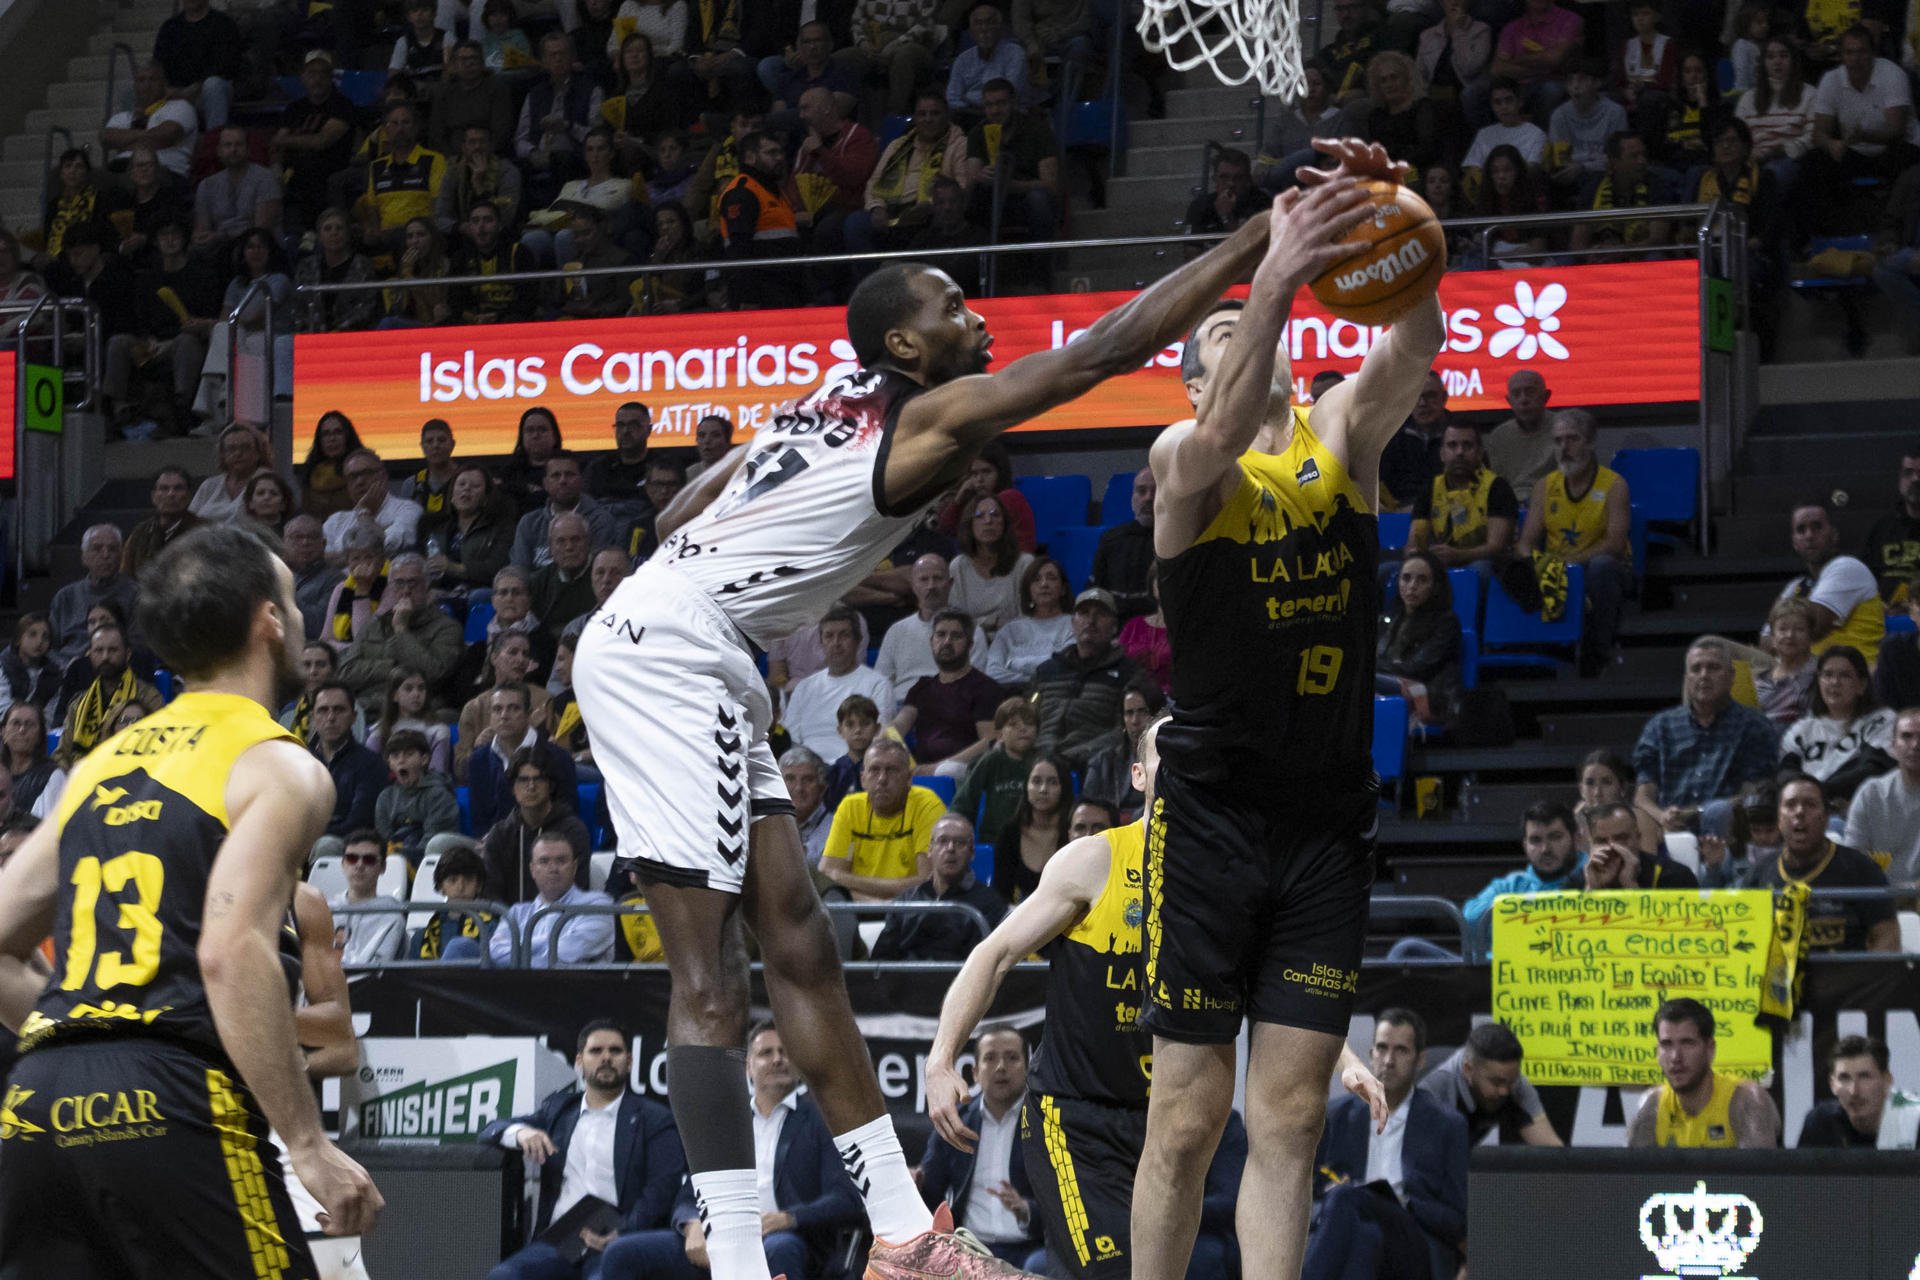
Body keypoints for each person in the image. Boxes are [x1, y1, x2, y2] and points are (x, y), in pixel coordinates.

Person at [572, 182, 1287, 1280]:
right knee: (709, 978)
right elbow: (1101, 351)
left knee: (803, 942)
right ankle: (738, 1263)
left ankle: (906, 1236)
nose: (977, 315)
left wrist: (765, 492)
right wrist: (1252, 243)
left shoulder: (832, 395)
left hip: (700, 647)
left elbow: (674, 518)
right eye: (955, 304)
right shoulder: (925, 413)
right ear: (906, 341)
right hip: (670, 651)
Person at [1135, 139, 1443, 1280]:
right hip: (1212, 819)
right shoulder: (1185, 458)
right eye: (1222, 339)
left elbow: (1414, 345)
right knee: (1185, 1117)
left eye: (1257, 329)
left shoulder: (1341, 437)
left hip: (1324, 824)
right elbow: (1215, 432)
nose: (1247, 344)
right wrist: (1271, 267)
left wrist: (1400, 231)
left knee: (1295, 1117)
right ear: (1194, 375)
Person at [0, 525, 383, 1273]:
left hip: (37, 1098)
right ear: (270, 621)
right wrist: (307, 1145)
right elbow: (229, 948)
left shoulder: (95, 767)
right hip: (170, 1089)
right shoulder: (277, 765)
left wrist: (87, 1035)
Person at [926, 715, 1389, 1280]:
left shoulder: (1232, 882)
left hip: (1172, 1124)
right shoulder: (1096, 859)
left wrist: (1343, 1059)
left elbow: (1274, 993)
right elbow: (992, 954)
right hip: (1076, 1120)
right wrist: (941, 1057)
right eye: (1171, 754)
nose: (1189, 766)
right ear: (1140, 776)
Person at [601, 1019, 863, 1280]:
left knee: (781, 1249)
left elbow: (845, 1199)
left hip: (783, 1239)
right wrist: (692, 1225)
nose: (777, 1059)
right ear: (748, 1066)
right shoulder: (724, 1122)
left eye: (785, 1052)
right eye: (765, 1053)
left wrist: (787, 1218)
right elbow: (687, 1196)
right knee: (620, 1253)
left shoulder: (821, 1120)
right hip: (718, 1237)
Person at [481, 1020, 684, 1277]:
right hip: (559, 1241)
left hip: (616, 1240)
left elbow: (662, 1189)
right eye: (596, 1051)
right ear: (579, 1061)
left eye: (615, 1051)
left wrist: (622, 1233)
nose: (606, 1058)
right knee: (503, 1276)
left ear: (629, 1061)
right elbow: (491, 1129)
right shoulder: (559, 1110)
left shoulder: (654, 1118)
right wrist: (521, 1132)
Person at [1303, 1009, 1469, 1280]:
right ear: (1370, 1055)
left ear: (1420, 1060)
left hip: (1412, 1237)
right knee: (1364, 1236)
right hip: (1354, 1228)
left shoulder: (1447, 1124)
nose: (1389, 1060)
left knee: (1346, 1197)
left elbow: (1456, 1220)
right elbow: (1307, 1194)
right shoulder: (1337, 1116)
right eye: (1382, 1048)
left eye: (1401, 1050)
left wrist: (1405, 1201)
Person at [1632, 638, 1780, 845]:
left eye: (1713, 668)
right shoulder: (1660, 726)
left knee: (1717, 812)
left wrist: (1696, 813)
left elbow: (1754, 793)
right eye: (1696, 669)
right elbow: (1643, 796)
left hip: (1729, 833)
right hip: (1667, 830)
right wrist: (1661, 815)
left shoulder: (1754, 726)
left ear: (1731, 677)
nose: (1704, 675)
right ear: (1687, 678)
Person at [915, 1025, 1040, 1266]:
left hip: (1031, 1249)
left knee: (1040, 1266)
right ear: (975, 1072)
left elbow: (1063, 1201)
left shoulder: (1044, 1123)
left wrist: (1027, 1209)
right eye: (990, 1058)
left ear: (1027, 1067)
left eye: (1012, 1058)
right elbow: (931, 1192)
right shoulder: (955, 1122)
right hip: (970, 1248)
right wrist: (916, 1184)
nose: (1001, 1067)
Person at [1739, 774, 1900, 952]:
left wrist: (1865, 978)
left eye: (1810, 804)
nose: (1799, 812)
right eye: (1790, 805)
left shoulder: (1863, 870)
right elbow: (1744, 940)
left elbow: (1887, 937)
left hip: (1848, 977)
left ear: (1825, 817)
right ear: (1779, 818)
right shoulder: (1758, 875)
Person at [1803, 26, 1918, 237]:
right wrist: (1830, 143)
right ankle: (1827, 233)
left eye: (1862, 51)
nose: (1856, 58)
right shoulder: (1831, 80)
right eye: (1850, 52)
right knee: (1814, 161)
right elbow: (1818, 132)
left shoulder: (1892, 75)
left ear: (1873, 54)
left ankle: (1895, 231)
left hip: (1893, 148)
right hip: (1856, 149)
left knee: (1904, 156)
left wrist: (1865, 135)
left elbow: (1896, 130)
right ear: (1842, 56)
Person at [1627, 998, 1781, 1148]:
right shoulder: (1651, 1105)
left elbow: (1757, 1173)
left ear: (1710, 1048)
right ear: (1657, 1052)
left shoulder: (1746, 1101)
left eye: (1687, 1043)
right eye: (1667, 1045)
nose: (1676, 1057)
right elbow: (1636, 1173)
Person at [818, 738, 946, 902]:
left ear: (909, 779)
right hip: (862, 911)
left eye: (892, 770)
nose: (882, 779)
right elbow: (828, 879)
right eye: (874, 770)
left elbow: (927, 883)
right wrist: (882, 904)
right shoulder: (850, 807)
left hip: (912, 911)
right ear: (863, 779)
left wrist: (848, 880)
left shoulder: (927, 804)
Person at [1031, 588, 1143, 770]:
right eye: (1084, 613)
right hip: (1038, 760)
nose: (1091, 621)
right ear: (1073, 622)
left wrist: (1083, 754)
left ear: (1114, 626)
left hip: (1092, 765)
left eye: (1100, 614)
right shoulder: (1046, 671)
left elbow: (1124, 731)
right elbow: (1026, 717)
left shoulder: (1128, 673)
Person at [338, 552, 465, 710]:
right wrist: (393, 666)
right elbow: (345, 672)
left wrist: (401, 630)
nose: (405, 590)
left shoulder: (447, 627)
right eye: (399, 583)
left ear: (426, 586)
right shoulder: (374, 626)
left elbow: (434, 674)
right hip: (367, 707)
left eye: (413, 583)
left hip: (418, 712)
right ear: (391, 587)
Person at [872, 813, 1006, 961]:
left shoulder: (989, 904)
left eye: (960, 842)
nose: (950, 848)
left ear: (972, 852)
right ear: (930, 849)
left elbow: (984, 966)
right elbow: (880, 962)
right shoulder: (906, 900)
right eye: (942, 841)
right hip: (906, 981)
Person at [1458, 801, 1583, 955]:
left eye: (1555, 837)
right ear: (1525, 845)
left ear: (1576, 839)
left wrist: (1516, 919)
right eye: (1535, 840)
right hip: (1508, 975)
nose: (1545, 849)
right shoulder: (1510, 885)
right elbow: (1470, 919)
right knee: (1418, 947)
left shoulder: (1596, 878)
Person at [1779, 646, 1895, 808]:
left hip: (1856, 804)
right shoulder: (1803, 728)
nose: (1834, 682)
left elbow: (1873, 770)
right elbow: (1785, 772)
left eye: (1845, 676)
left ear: (1861, 685)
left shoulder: (1882, 720)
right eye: (1827, 675)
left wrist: (1819, 791)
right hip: (1806, 806)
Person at [895, 609, 1005, 777]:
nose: (947, 642)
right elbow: (898, 726)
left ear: (970, 644)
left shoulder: (986, 688)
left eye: (956, 636)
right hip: (922, 772)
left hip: (964, 772)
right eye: (941, 635)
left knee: (948, 770)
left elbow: (990, 741)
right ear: (932, 642)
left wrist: (938, 767)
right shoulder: (922, 688)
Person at [479, 745, 593, 903]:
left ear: (550, 785)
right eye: (523, 779)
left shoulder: (573, 832)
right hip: (508, 924)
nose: (531, 786)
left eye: (538, 779)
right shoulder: (500, 834)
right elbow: (491, 895)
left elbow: (577, 890)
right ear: (513, 787)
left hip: (560, 924)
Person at [1419, 1021, 1561, 1146]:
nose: (1504, 1091)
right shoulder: (1433, 1090)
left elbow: (1552, 1151)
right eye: (1496, 1082)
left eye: (1511, 1081)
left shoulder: (1517, 1086)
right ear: (1468, 1071)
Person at [782, 605, 895, 761]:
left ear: (858, 641)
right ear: (821, 642)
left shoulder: (878, 684)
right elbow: (791, 739)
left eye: (844, 635)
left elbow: (879, 738)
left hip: (853, 767)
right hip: (807, 771)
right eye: (829, 636)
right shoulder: (804, 687)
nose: (836, 643)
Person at [1783, 499, 1886, 668]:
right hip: (1805, 673)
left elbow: (1813, 627)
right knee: (1727, 651)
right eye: (1801, 530)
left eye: (1817, 527)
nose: (1809, 535)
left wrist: (1783, 633)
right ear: (1794, 542)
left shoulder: (1848, 567)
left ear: (1834, 534)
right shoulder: (1795, 586)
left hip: (1852, 675)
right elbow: (1767, 641)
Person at [490, 832, 617, 965]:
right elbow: (495, 953)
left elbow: (564, 953)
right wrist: (551, 945)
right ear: (532, 870)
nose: (553, 869)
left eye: (561, 861)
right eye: (544, 861)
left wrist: (518, 950)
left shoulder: (598, 905)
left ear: (574, 867)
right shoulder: (517, 912)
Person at [877, 555, 990, 700]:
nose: (931, 586)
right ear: (913, 586)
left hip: (952, 707)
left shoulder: (972, 631)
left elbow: (977, 684)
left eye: (937, 578)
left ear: (950, 584)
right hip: (902, 707)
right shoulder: (896, 631)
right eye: (924, 579)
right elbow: (881, 683)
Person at [1376, 552, 1463, 728]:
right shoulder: (1389, 619)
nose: (1412, 586)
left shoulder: (1446, 622)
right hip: (1389, 689)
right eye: (1406, 578)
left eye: (1422, 580)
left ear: (1435, 587)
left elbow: (1414, 669)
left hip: (1427, 697)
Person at [58, 624, 163, 768]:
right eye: (99, 651)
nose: (105, 657)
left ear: (128, 654)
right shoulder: (78, 704)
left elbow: (157, 748)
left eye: (112, 650)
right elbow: (62, 755)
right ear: (90, 655)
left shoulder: (149, 697)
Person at [1796, 1035, 1920, 1149]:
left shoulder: (1915, 1118)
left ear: (1887, 1080)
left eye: (1865, 1076)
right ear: (1832, 1084)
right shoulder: (1821, 1123)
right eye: (1844, 1078)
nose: (1854, 1091)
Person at [1843, 706, 1920, 885]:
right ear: (1893, 746)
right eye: (1907, 736)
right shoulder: (1870, 794)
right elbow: (1853, 862)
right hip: (1878, 902)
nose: (1915, 745)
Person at [49, 523, 140, 666]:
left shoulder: (135, 594)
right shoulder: (65, 597)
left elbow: (137, 647)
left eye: (112, 549)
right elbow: (50, 648)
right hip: (68, 668)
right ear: (84, 557)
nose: (105, 555)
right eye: (97, 549)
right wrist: (66, 665)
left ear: (121, 556)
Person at [309, 681, 388, 845]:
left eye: (339, 710)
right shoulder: (296, 761)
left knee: (326, 844)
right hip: (299, 845)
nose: (331, 717)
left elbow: (359, 823)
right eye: (323, 710)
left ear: (353, 717)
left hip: (348, 849)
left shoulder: (371, 764)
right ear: (313, 717)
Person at [512, 453, 619, 571]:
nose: (563, 480)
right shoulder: (529, 523)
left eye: (569, 474)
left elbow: (597, 571)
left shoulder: (600, 520)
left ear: (581, 480)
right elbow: (519, 571)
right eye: (556, 475)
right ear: (545, 484)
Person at [954, 697, 1040, 842]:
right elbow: (963, 803)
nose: (1023, 728)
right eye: (1013, 725)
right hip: (994, 840)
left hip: (1034, 840)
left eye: (1029, 723)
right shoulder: (990, 760)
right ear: (1000, 733)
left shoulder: (1042, 762)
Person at [990, 754, 1072, 903]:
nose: (1043, 789)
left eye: (1053, 782)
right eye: (1036, 781)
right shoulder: (1009, 834)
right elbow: (1001, 895)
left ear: (1064, 788)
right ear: (1026, 787)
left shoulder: (1074, 833)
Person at [984, 559, 1074, 689]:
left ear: (1063, 589)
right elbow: (992, 673)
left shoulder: (1074, 625)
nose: (1044, 584)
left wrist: (1014, 664)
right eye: (1036, 579)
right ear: (1028, 591)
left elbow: (1065, 669)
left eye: (1051, 578)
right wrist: (1032, 680)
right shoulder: (1009, 630)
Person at [1569, 800, 1698, 890]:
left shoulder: (1676, 877)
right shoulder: (1576, 883)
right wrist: (1592, 889)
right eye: (1601, 841)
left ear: (1638, 838)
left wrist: (1630, 884)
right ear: (1591, 844)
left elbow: (1674, 928)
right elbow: (1568, 928)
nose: (1612, 847)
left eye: (1621, 838)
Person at [1079, 685, 1163, 822]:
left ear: (1157, 715)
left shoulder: (1169, 761)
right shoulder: (1102, 761)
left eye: (1143, 712)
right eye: (1129, 713)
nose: (1135, 721)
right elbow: (1088, 807)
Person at [153, 0, 241, 128]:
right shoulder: (170, 27)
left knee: (213, 85)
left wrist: (194, 88)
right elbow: (157, 64)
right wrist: (168, 89)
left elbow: (226, 65)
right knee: (142, 85)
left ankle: (214, 139)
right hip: (174, 94)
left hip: (206, 92)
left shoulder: (223, 23)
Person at [322, 449, 424, 557]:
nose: (360, 481)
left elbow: (391, 547)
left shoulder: (408, 510)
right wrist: (380, 532)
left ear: (383, 476)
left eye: (366, 473)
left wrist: (363, 514)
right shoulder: (335, 522)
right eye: (353, 476)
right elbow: (321, 559)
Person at [329, 828, 408, 965]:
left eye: (369, 860)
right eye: (352, 858)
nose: (359, 865)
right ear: (343, 864)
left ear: (383, 867)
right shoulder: (326, 910)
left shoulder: (392, 917)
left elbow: (378, 970)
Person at [408, 844, 499, 960]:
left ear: (479, 886)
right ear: (440, 887)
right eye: (452, 880)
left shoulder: (492, 930)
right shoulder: (420, 938)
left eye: (468, 880)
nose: (460, 887)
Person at [1378, 371, 1450, 514]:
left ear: (1444, 398)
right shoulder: (1390, 436)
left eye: (1430, 396)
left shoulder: (1461, 434)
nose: (1422, 403)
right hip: (1400, 514)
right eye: (1415, 396)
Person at [1091, 468, 1156, 618]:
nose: (1148, 498)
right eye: (1141, 491)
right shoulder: (1110, 540)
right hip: (1116, 629)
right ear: (1132, 500)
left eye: (1156, 491)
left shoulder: (1179, 541)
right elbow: (1096, 592)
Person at [1862, 444, 1920, 602]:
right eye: (1909, 473)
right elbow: (1866, 580)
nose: (1916, 479)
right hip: (1887, 620)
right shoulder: (1881, 530)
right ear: (1900, 479)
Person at [947, 4, 1028, 115]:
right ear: (971, 31)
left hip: (1007, 116)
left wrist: (968, 98)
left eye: (990, 22)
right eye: (978, 24)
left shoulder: (1015, 53)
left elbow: (1008, 94)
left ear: (1000, 28)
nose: (984, 29)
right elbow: (951, 99)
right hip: (969, 115)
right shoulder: (962, 60)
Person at [1754, 596, 1819, 728]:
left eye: (1799, 629)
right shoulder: (1759, 679)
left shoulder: (1823, 672)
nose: (1790, 635)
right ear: (1772, 636)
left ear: (1810, 635)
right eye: (1783, 629)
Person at [1185, 148, 1271, 238]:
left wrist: (1227, 217)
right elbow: (1192, 248)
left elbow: (1254, 248)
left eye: (1238, 178)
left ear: (1247, 180)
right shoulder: (1200, 206)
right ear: (1215, 179)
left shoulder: (1262, 203)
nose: (1231, 183)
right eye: (1224, 177)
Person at [0, 702, 65, 818]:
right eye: (16, 723)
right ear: (3, 732)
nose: (22, 730)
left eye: (29, 724)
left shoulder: (53, 777)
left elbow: (50, 828)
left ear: (40, 735)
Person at [779, 746, 835, 864]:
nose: (799, 788)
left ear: (822, 788)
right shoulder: (765, 823)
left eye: (808, 780)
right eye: (790, 779)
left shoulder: (838, 828)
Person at [0, 614, 60, 724]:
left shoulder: (54, 675)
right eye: (32, 635)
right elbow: (3, 708)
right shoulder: (3, 666)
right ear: (18, 639)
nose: (39, 641)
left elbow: (49, 715)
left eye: (45, 637)